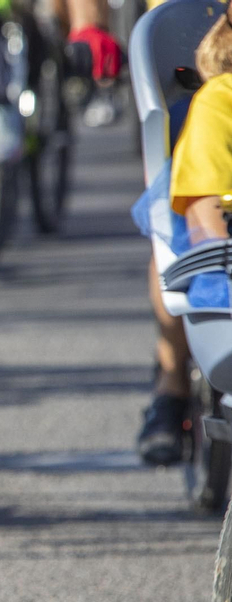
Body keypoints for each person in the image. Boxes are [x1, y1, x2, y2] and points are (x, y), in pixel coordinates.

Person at [137, 6, 232, 465]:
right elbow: (204, 216)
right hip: (224, 260)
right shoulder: (222, 104)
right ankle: (172, 382)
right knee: (172, 249)